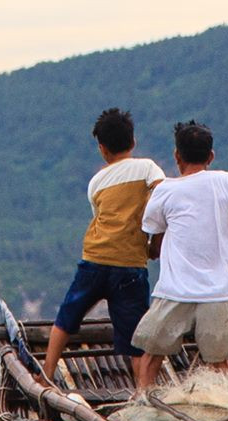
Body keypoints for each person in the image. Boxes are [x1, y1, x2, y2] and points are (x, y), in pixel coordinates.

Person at [132, 120, 228, 389]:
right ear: (211, 156)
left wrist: (151, 251)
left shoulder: (165, 189)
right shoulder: (226, 181)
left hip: (174, 290)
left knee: (151, 355)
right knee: (218, 363)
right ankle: (220, 412)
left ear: (176, 155)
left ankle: (142, 403)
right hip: (219, 292)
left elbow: (154, 236)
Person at [41, 108, 165, 384]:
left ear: (102, 149)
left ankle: (47, 372)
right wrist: (156, 241)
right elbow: (164, 197)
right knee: (135, 336)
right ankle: (143, 393)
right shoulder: (147, 168)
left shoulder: (96, 182)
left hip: (95, 258)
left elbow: (100, 216)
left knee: (66, 317)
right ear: (133, 142)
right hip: (130, 265)